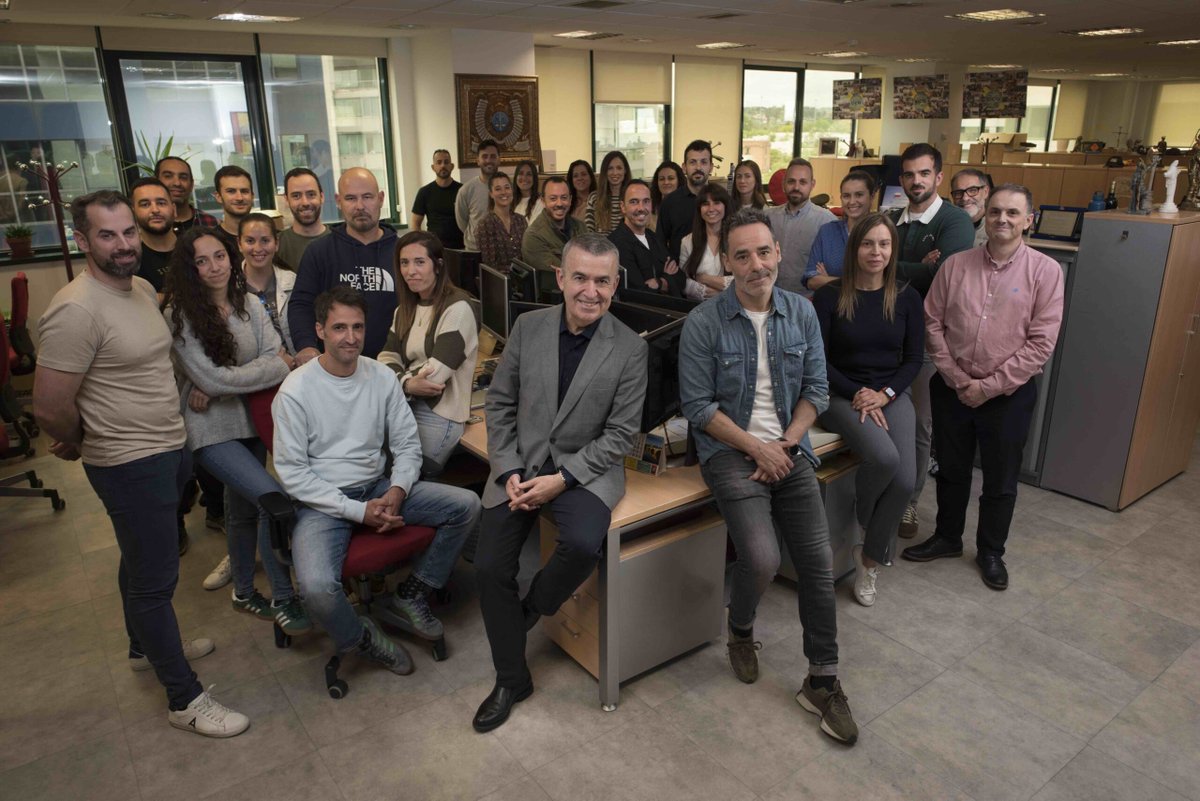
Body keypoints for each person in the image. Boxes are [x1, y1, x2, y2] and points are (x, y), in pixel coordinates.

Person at [33, 190, 248, 738]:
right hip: (127, 460)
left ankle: (142, 646)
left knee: (139, 559)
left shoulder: (143, 290)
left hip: (167, 446)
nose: (124, 244)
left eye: (128, 232)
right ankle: (184, 697)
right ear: (82, 241)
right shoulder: (75, 308)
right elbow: (49, 407)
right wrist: (86, 439)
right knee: (156, 582)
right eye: (108, 235)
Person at [678, 206, 858, 746]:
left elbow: (817, 392)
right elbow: (697, 406)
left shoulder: (801, 313)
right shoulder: (704, 322)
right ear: (727, 264)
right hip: (731, 451)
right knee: (760, 558)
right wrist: (757, 447)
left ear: (778, 253)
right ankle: (740, 630)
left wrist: (785, 443)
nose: (756, 264)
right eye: (742, 256)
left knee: (818, 567)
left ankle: (823, 678)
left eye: (764, 251)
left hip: (788, 447)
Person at [472, 234, 648, 733]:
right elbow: (500, 403)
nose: (589, 291)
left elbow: (621, 435)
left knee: (580, 542)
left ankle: (532, 610)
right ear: (560, 278)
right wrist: (507, 470)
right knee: (488, 568)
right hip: (520, 465)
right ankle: (513, 679)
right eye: (580, 278)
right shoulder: (528, 327)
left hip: (585, 469)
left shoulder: (630, 348)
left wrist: (563, 479)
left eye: (601, 280)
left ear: (616, 283)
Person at [273, 286, 482, 674]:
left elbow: (406, 445)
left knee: (467, 505)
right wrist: (358, 512)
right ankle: (360, 638)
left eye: (358, 327)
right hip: (323, 502)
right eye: (339, 328)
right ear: (320, 330)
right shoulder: (295, 391)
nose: (350, 337)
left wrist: (398, 490)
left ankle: (411, 594)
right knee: (317, 590)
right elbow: (293, 475)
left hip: (377, 487)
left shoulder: (381, 377)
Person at [902, 184, 1065, 591]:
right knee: (952, 471)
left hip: (1009, 395)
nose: (1002, 220)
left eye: (1013, 213)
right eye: (995, 212)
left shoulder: (1045, 272)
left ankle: (991, 551)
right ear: (984, 217)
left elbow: (1041, 343)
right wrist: (959, 380)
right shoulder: (956, 266)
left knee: (1000, 478)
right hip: (953, 388)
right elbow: (932, 321)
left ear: (1029, 220)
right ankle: (947, 537)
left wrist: (988, 387)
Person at [162, 228, 311, 635]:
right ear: (189, 270)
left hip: (251, 421)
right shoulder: (179, 316)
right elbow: (215, 375)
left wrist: (217, 384)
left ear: (232, 257)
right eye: (201, 261)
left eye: (219, 256)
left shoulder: (248, 303)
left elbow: (277, 359)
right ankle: (284, 596)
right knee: (272, 499)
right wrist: (214, 382)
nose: (214, 267)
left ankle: (243, 592)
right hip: (208, 430)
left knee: (242, 510)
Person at [811, 213, 923, 606]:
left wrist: (886, 394)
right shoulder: (829, 296)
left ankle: (869, 559)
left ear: (893, 250)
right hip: (839, 395)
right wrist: (859, 392)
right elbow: (817, 360)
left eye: (884, 244)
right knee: (884, 458)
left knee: (907, 481)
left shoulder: (907, 297)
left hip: (890, 395)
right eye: (868, 244)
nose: (876, 252)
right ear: (854, 247)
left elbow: (913, 359)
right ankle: (864, 517)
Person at [886, 144, 976, 540]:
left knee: (919, 425)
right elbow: (869, 263)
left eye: (924, 173)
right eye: (908, 174)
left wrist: (894, 267)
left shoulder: (956, 221)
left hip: (925, 340)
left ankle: (907, 501)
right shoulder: (892, 218)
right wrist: (916, 267)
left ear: (938, 177)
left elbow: (944, 275)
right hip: (885, 333)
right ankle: (878, 495)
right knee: (879, 417)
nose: (915, 181)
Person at [378, 231, 478, 475]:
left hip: (439, 414)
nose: (411, 270)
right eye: (404, 263)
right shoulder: (404, 309)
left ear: (438, 265)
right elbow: (385, 359)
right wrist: (408, 383)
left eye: (420, 262)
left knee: (405, 476)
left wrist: (400, 378)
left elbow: (434, 376)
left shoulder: (459, 308)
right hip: (405, 405)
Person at [289, 167, 398, 363]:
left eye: (367, 197)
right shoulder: (319, 252)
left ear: (381, 198)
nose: (360, 206)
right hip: (336, 368)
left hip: (394, 367)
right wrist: (306, 346)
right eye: (350, 198)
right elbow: (301, 304)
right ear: (338, 201)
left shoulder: (403, 252)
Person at [767, 157, 836, 295]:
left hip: (807, 302)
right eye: (791, 181)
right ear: (783, 184)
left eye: (803, 182)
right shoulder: (767, 217)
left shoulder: (827, 221)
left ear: (812, 184)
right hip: (769, 298)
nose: (796, 187)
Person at [804, 171, 876, 292]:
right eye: (846, 196)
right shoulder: (827, 231)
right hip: (830, 308)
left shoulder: (881, 233)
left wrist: (828, 280)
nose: (852, 201)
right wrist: (853, 283)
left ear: (872, 196)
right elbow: (811, 281)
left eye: (859, 195)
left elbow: (875, 284)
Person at [608, 179, 680, 295]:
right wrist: (667, 279)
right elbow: (639, 292)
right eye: (634, 202)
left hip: (669, 310)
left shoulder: (653, 238)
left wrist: (659, 282)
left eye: (646, 201)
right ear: (623, 207)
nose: (641, 208)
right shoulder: (615, 244)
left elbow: (680, 278)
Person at [240, 212, 298, 354]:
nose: (258, 248)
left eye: (265, 240)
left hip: (294, 368)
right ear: (239, 244)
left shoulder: (293, 281)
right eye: (250, 241)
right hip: (254, 371)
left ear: (276, 243)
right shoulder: (228, 287)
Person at [657, 140, 713, 261]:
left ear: (711, 167)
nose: (698, 167)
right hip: (679, 274)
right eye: (692, 162)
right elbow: (660, 244)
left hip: (716, 274)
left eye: (704, 162)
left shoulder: (721, 201)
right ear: (684, 167)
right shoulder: (669, 203)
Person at [679, 182, 734, 302]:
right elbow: (683, 281)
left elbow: (743, 279)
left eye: (716, 203)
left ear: (725, 206)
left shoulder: (736, 239)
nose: (711, 209)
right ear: (699, 209)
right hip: (698, 310)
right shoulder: (687, 241)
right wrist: (711, 293)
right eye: (705, 204)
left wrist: (705, 278)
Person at [521, 176, 584, 271]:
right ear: (543, 201)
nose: (559, 203)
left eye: (564, 198)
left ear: (570, 200)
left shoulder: (581, 227)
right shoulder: (533, 236)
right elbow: (564, 273)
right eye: (553, 198)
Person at [129, 177, 177, 296]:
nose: (155, 210)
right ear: (132, 212)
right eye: (145, 204)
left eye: (161, 203)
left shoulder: (195, 248)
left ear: (174, 209)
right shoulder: (128, 260)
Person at [410, 149, 464, 250]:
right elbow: (415, 223)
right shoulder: (424, 192)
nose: (443, 165)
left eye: (446, 162)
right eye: (439, 162)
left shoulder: (462, 190)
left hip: (460, 248)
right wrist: (420, 245)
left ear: (452, 166)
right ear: (433, 167)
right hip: (433, 249)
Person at [475, 172, 528, 273]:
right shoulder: (485, 224)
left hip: (524, 280)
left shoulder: (521, 221)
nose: (504, 192)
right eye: (498, 189)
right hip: (499, 283)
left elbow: (527, 255)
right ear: (491, 194)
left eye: (507, 187)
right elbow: (489, 265)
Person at [278, 167, 329, 270]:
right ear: (287, 200)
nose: (305, 202)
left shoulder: (341, 242)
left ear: (322, 197)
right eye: (296, 196)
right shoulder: (275, 245)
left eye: (311, 194)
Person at [454, 139, 499, 251]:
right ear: (478, 160)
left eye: (493, 156)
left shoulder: (509, 188)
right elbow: (462, 222)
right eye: (484, 156)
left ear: (499, 160)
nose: (489, 160)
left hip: (502, 249)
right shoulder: (466, 190)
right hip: (475, 250)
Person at [156, 156, 218, 233]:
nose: (177, 183)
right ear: (155, 182)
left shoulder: (210, 223)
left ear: (192, 184)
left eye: (183, 177)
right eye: (168, 176)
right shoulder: (146, 225)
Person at [210, 164, 255, 261]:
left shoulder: (269, 237)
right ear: (218, 197)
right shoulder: (211, 240)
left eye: (244, 191)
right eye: (231, 191)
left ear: (252, 196)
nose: (239, 198)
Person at [586, 150, 630, 235]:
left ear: (625, 171)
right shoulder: (594, 197)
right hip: (600, 247)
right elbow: (589, 232)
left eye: (619, 168)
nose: (615, 173)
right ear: (605, 172)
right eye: (610, 168)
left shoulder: (632, 199)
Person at [950, 168, 992, 247]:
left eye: (972, 190)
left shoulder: (997, 229)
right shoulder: (947, 226)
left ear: (986, 192)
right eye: (958, 193)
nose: (965, 198)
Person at [567, 159, 595, 226]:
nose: (580, 178)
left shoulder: (597, 201)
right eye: (575, 176)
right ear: (571, 180)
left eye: (584, 174)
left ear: (590, 177)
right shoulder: (567, 202)